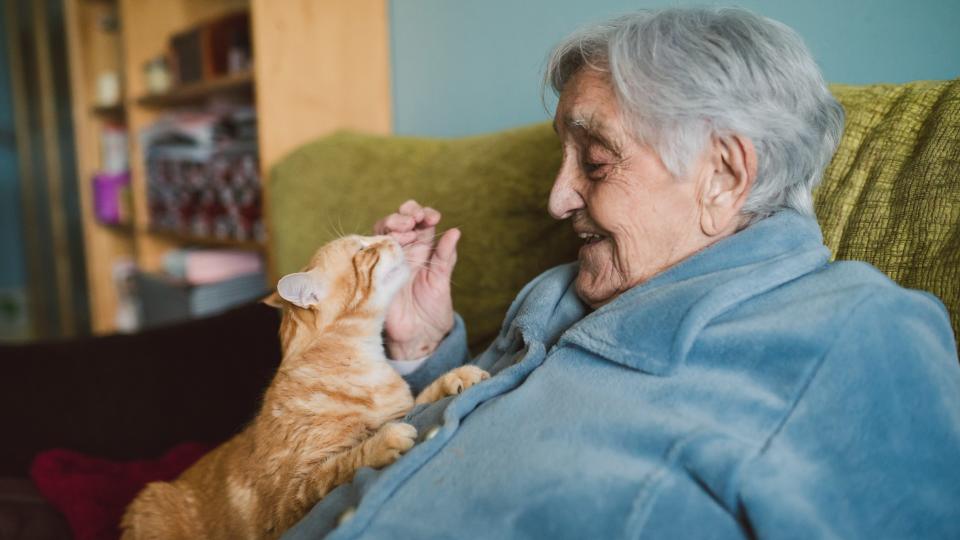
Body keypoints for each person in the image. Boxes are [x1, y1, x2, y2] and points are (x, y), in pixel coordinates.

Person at [285, 7, 960, 539]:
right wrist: (422, 346)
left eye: (597, 160)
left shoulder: (859, 332)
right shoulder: (560, 292)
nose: (557, 199)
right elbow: (460, 443)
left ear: (723, 175)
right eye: (563, 158)